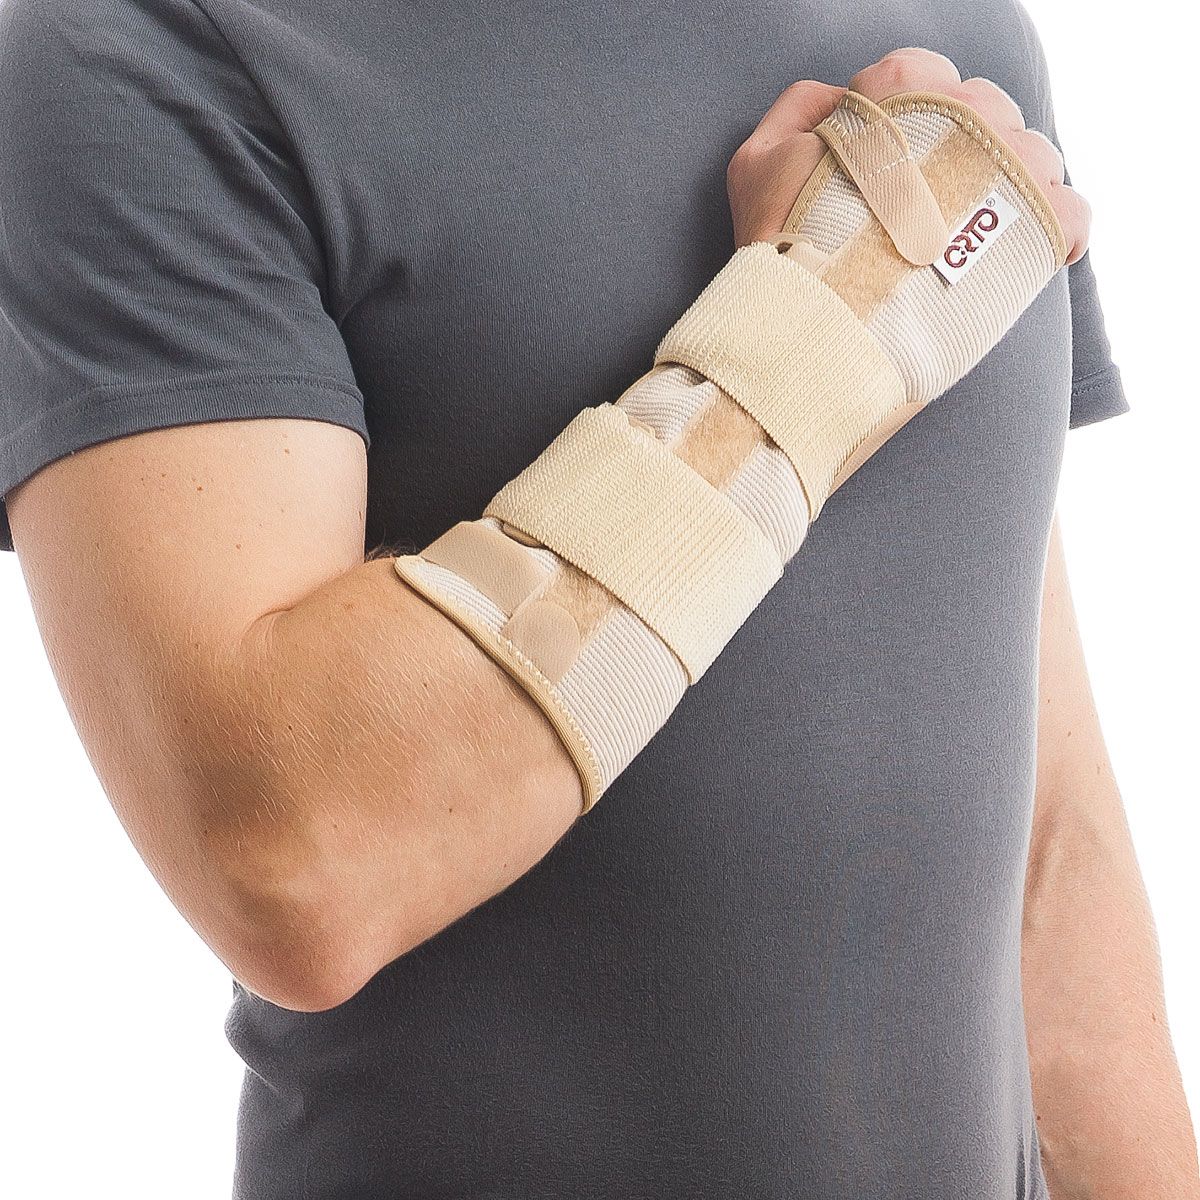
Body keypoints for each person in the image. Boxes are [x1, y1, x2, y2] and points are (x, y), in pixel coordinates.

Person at [0, 1, 1194, 1197]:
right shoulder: (136, 50)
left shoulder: (954, 28)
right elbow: (292, 864)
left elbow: (1044, 833)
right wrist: (816, 341)